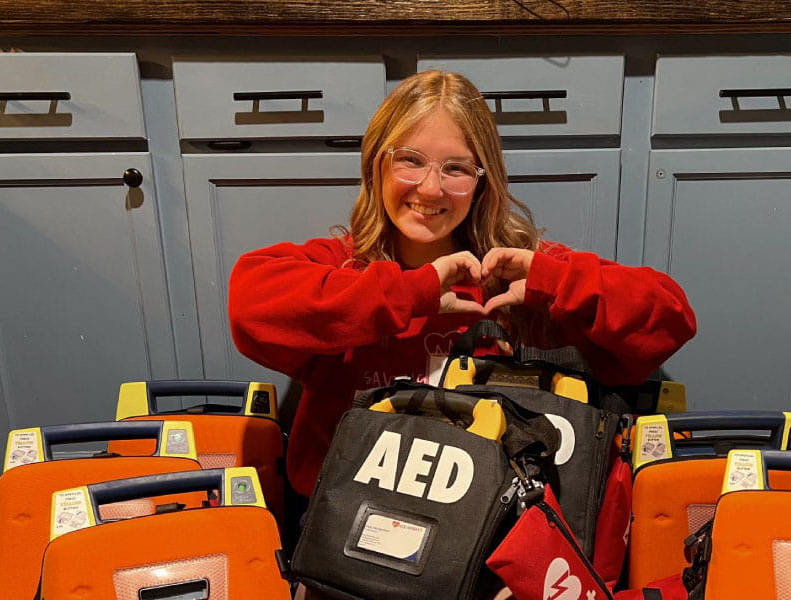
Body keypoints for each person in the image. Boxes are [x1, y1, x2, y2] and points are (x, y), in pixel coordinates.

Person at [228, 70, 697, 502]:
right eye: (409, 160)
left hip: (491, 527)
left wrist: (555, 283)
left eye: (455, 169)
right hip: (346, 522)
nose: (430, 189)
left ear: (480, 182)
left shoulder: (517, 272)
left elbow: (669, 318)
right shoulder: (346, 267)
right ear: (376, 164)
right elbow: (251, 305)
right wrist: (413, 291)